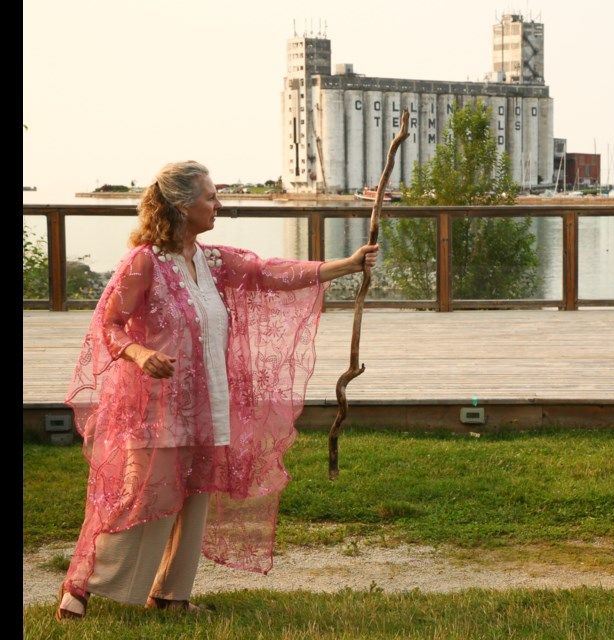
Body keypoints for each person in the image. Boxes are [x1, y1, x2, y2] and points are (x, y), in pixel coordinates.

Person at [56, 161, 379, 620]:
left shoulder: (210, 261)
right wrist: (139, 354)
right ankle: (81, 587)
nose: (218, 205)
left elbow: (269, 272)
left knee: (195, 495)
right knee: (144, 495)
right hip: (158, 406)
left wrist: (344, 265)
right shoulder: (144, 261)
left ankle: (172, 595)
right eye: (210, 197)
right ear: (182, 205)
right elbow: (107, 323)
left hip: (209, 404)